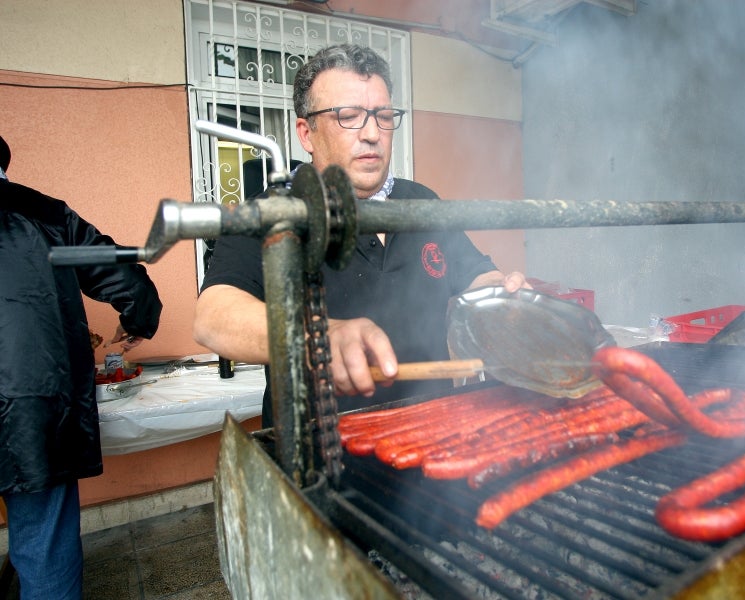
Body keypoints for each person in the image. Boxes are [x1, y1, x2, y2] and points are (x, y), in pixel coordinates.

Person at [194, 44, 528, 424]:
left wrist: (503, 295)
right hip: (319, 456)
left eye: (384, 117)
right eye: (349, 116)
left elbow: (475, 276)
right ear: (307, 133)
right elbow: (213, 317)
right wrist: (315, 338)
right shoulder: (274, 212)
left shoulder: (420, 202)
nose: (372, 133)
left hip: (433, 440)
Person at [0, 134, 163, 599]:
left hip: (28, 404)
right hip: (30, 406)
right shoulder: (45, 215)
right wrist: (137, 321)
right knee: (42, 544)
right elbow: (123, 272)